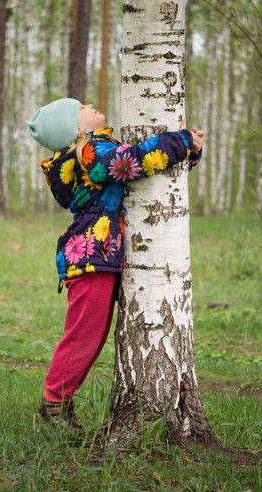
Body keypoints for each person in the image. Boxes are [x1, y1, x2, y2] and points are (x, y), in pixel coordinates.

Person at [27, 98, 204, 428]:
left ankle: (57, 404)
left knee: (92, 334)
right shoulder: (93, 151)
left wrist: (188, 152)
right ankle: (52, 404)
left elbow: (150, 180)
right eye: (81, 105)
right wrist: (178, 140)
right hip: (92, 257)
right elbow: (132, 161)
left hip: (99, 256)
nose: (92, 103)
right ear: (77, 128)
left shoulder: (94, 151)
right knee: (84, 335)